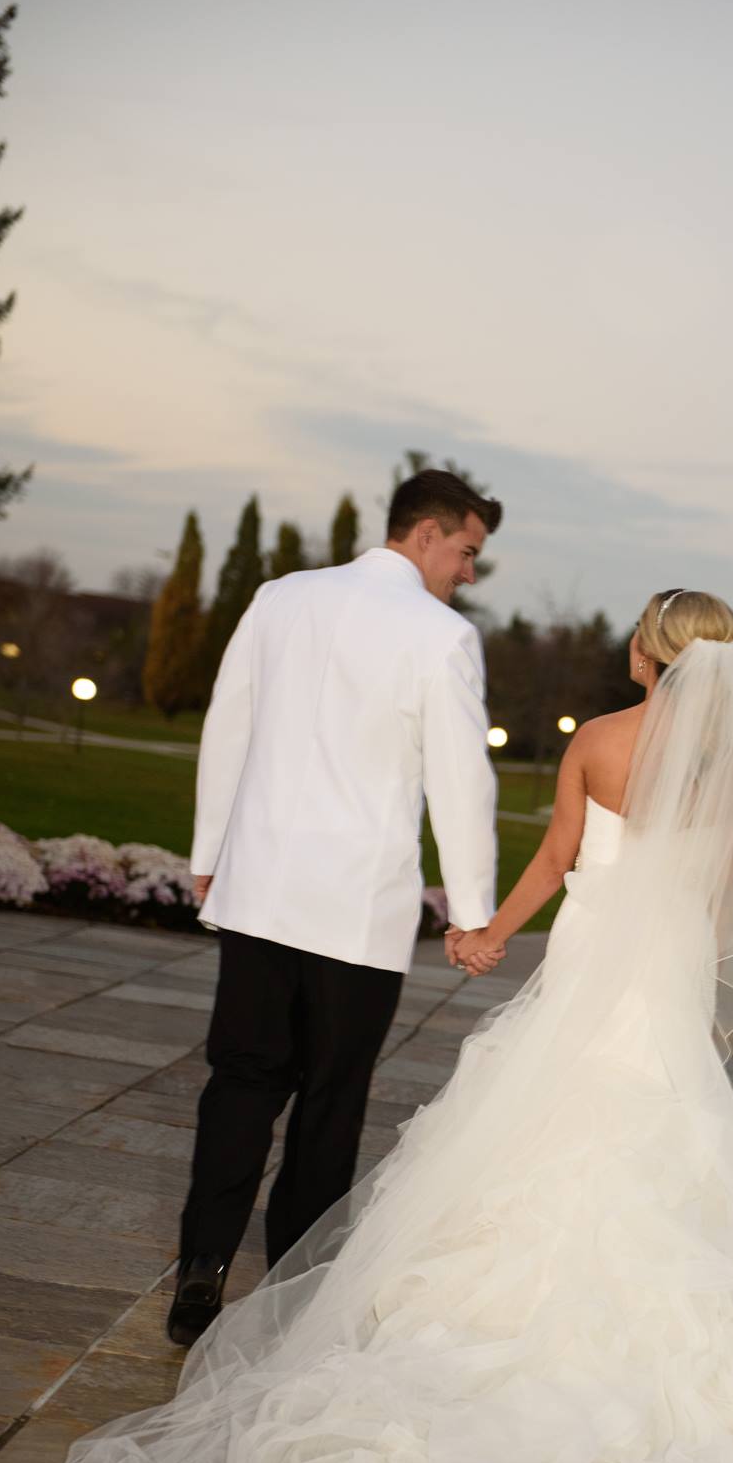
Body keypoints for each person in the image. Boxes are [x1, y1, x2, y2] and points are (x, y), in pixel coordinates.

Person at [56, 589, 733, 1463]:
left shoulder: (600, 740)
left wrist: (487, 935)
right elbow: (714, 890)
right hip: (666, 969)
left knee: (540, 1118)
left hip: (594, 958)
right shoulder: (720, 765)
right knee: (666, 1124)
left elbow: (560, 856)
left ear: (646, 651)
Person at [166, 469, 504, 1347]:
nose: (469, 573)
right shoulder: (441, 638)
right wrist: (469, 911)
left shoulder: (282, 597)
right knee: (330, 1101)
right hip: (356, 913)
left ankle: (200, 1270)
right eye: (467, 552)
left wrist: (210, 856)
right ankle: (286, 1296)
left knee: (239, 1084)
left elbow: (226, 726)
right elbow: (461, 785)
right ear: (425, 534)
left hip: (262, 890)